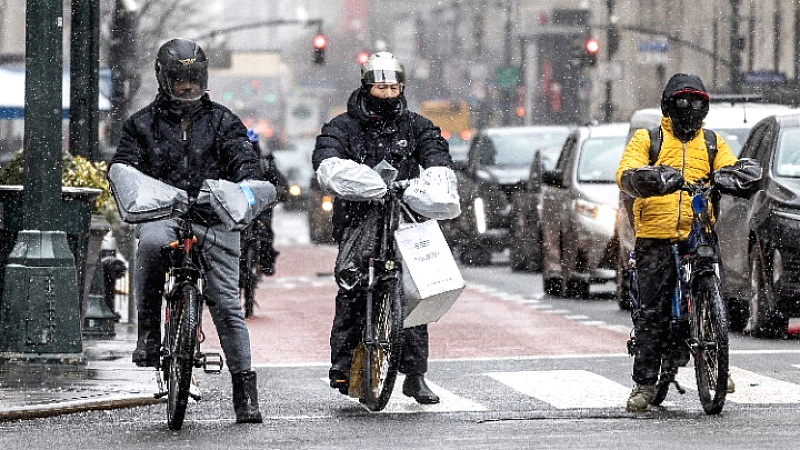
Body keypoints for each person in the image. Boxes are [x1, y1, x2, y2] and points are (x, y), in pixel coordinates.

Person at [110, 38, 264, 423]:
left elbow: (244, 159)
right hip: (165, 214)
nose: (188, 85)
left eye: (194, 77)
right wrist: (137, 190)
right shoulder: (140, 124)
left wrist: (245, 185)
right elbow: (125, 166)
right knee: (151, 248)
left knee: (227, 304)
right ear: (164, 79)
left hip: (214, 217)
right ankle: (148, 336)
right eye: (180, 79)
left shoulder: (224, 121)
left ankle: (245, 392)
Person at [312, 51, 453, 404]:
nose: (387, 94)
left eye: (392, 87)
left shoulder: (417, 126)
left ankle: (415, 376)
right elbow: (326, 159)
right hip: (359, 219)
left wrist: (434, 179)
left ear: (401, 87)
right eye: (380, 87)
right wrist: (360, 183)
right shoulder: (342, 127)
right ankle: (342, 364)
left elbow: (436, 153)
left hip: (405, 218)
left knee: (414, 290)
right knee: (352, 286)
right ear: (366, 87)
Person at [616, 73, 760, 412]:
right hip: (656, 236)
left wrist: (740, 175)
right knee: (653, 313)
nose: (690, 111)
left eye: (697, 104)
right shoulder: (647, 138)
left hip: (698, 232)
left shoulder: (711, 142)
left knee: (717, 295)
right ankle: (645, 384)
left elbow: (730, 166)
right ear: (669, 106)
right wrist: (653, 177)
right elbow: (626, 173)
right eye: (683, 103)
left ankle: (715, 364)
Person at [244, 129, 289, 276]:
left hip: (263, 206)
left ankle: (266, 261)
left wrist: (282, 190)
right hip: (242, 205)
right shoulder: (234, 161)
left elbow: (279, 179)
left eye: (253, 145)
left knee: (265, 233)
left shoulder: (266, 162)